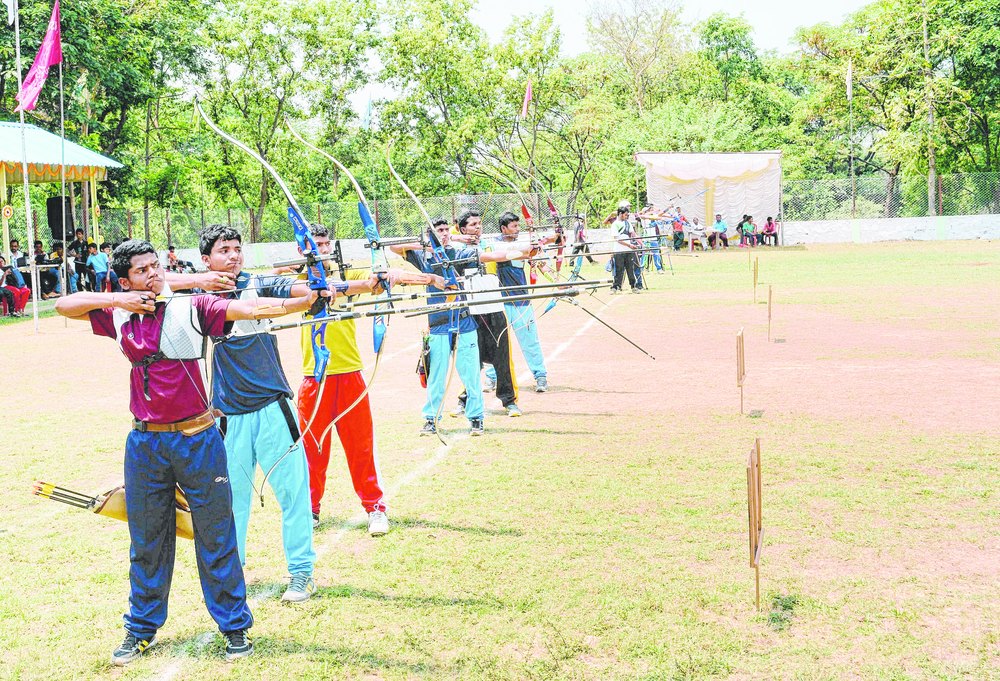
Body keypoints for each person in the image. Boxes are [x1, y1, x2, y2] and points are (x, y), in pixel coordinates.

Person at [54, 239, 316, 666]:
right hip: (144, 442)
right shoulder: (119, 312)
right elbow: (66, 304)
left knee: (215, 534)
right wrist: (121, 298)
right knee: (147, 540)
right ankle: (140, 629)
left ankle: (234, 627)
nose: (155, 275)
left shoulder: (190, 307)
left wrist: (307, 297)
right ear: (126, 281)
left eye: (157, 266)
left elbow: (249, 310)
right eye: (143, 270)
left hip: (197, 439)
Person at [167, 225, 326, 603]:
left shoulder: (257, 283)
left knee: (293, 495)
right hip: (226, 415)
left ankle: (302, 573)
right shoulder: (195, 296)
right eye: (224, 250)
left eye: (237, 249)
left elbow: (299, 291)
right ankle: (231, 573)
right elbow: (155, 285)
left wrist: (317, 289)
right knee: (229, 503)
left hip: (273, 408)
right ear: (206, 259)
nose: (234, 255)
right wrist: (201, 280)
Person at [295, 225, 441, 532]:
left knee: (360, 447)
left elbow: (381, 280)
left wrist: (430, 278)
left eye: (324, 244)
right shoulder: (297, 282)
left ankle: (375, 508)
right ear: (302, 250)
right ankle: (310, 509)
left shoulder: (347, 277)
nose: (320, 250)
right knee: (311, 449)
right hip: (315, 378)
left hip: (349, 376)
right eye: (313, 246)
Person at [451, 210, 523, 418]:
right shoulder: (455, 249)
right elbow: (437, 239)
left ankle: (509, 401)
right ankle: (465, 399)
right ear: (463, 229)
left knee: (503, 358)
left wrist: (535, 247)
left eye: (479, 224)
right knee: (471, 359)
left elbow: (511, 249)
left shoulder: (490, 244)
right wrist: (458, 237)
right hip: (471, 312)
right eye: (473, 224)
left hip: (494, 309)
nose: (477, 228)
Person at [488, 211, 552, 392]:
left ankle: (540, 375)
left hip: (520, 300)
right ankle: (492, 377)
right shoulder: (492, 244)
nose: (517, 229)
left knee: (530, 340)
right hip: (498, 301)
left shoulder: (523, 244)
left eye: (518, 226)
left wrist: (552, 274)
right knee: (496, 341)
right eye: (514, 226)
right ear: (503, 228)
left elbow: (538, 261)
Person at [610, 205, 641, 294]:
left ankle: (633, 286)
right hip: (619, 251)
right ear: (620, 214)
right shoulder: (615, 224)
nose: (627, 216)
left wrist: (640, 243)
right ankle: (615, 287)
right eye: (625, 215)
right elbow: (618, 239)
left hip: (628, 251)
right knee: (619, 270)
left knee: (630, 269)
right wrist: (629, 245)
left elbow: (633, 234)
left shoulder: (628, 223)